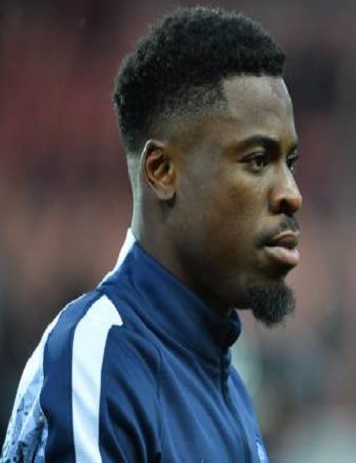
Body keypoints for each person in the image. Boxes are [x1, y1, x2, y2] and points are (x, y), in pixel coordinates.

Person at [1, 6, 301, 462]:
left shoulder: (229, 387)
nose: (291, 194)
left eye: (289, 163)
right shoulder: (101, 360)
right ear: (162, 171)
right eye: (257, 160)